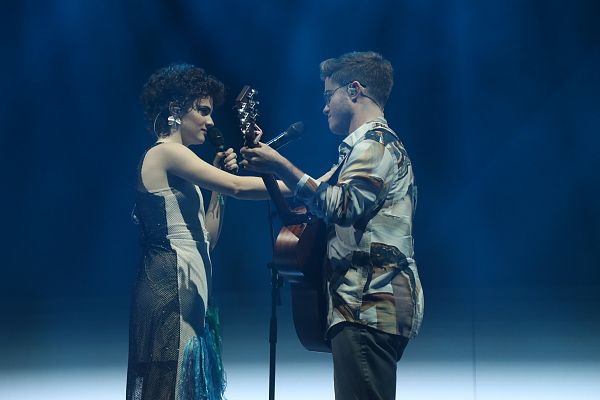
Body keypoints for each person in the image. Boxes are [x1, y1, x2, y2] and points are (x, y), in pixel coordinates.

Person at [241, 51, 424, 400]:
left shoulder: (373, 146)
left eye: (329, 96)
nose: (324, 108)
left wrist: (279, 164)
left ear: (354, 90)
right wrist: (256, 169)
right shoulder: (360, 152)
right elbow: (303, 200)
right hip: (363, 307)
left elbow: (340, 205)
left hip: (368, 306)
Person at [126, 63, 282, 400]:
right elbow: (239, 187)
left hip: (188, 285)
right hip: (169, 286)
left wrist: (216, 191)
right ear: (175, 109)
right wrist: (300, 186)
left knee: (185, 384)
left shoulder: (181, 166)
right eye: (203, 110)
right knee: (173, 384)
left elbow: (206, 239)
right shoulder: (166, 152)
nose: (211, 122)